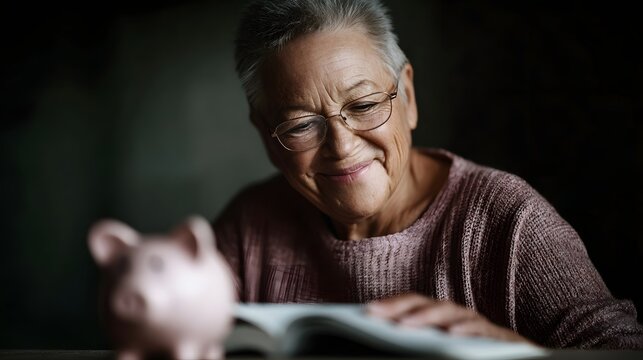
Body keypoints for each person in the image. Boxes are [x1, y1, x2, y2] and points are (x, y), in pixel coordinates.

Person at [214, 0, 643, 349]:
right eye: (302, 124)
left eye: (363, 106)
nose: (342, 147)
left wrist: (514, 355)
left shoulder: (511, 222)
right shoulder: (250, 226)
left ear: (409, 97)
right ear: (266, 135)